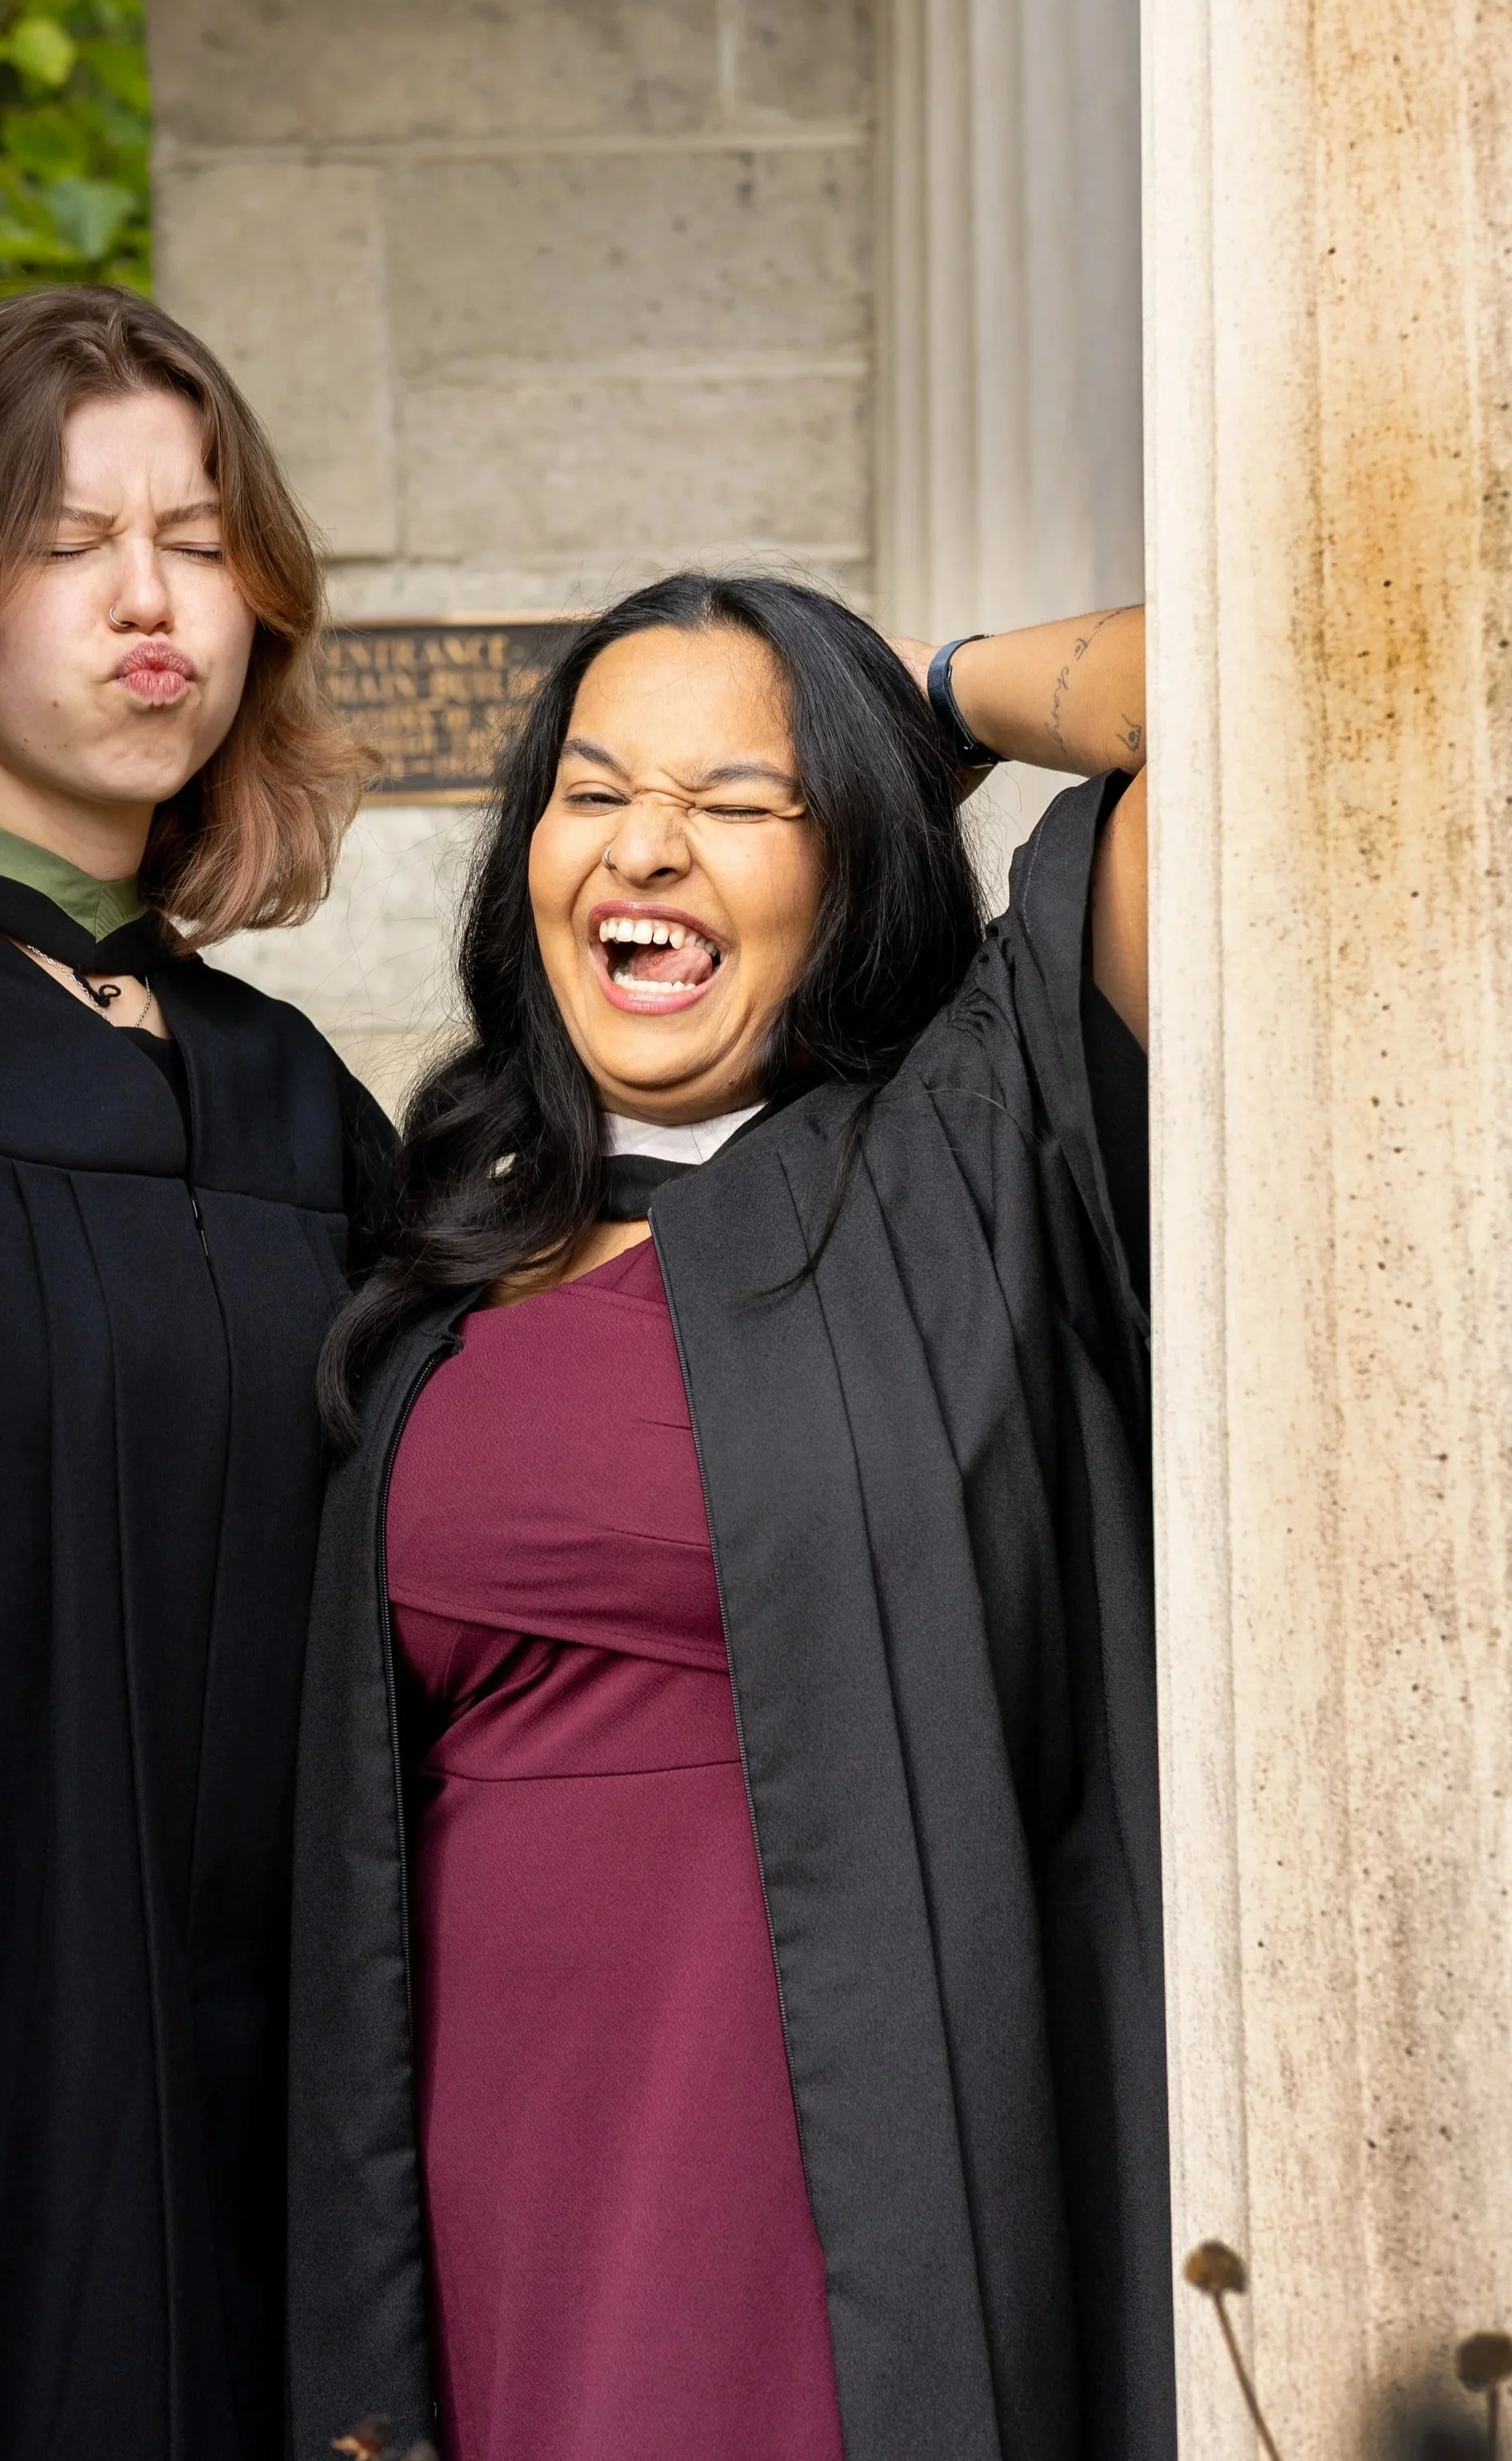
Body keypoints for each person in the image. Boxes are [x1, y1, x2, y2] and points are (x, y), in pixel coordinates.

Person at [288, 578, 1160, 2461]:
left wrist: (927, 698)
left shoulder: (957, 1157)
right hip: (485, 2172)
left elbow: (1250, 671)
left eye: (738, 797)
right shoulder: (445, 1243)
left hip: (828, 2153)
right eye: (591, 791)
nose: (644, 845)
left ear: (851, 858)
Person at [0, 286, 394, 2460]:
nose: (153, 602)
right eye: (69, 546)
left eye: (198, 534)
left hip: (274, 2064)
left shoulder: (290, 1094)